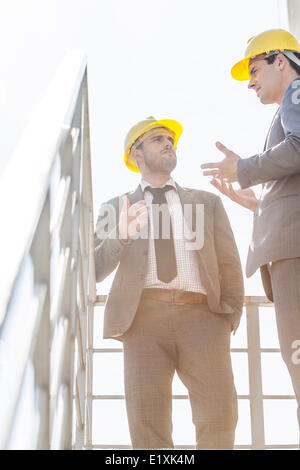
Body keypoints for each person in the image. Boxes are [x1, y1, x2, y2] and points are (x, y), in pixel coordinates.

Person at [94, 116, 244, 450]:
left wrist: (228, 317)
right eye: (158, 139)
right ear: (137, 155)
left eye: (171, 140)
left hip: (204, 320)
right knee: (147, 424)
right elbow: (94, 269)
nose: (168, 144)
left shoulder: (207, 202)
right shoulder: (116, 207)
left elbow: (230, 264)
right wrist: (121, 234)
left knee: (220, 413)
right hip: (142, 322)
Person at [201, 29, 300, 436]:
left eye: (255, 68)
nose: (250, 81)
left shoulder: (296, 95)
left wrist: (245, 167)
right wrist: (260, 206)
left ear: (282, 61)